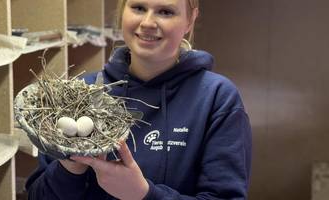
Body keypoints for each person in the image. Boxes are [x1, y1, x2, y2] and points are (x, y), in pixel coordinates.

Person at [26, 0, 252, 199]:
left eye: (165, 11)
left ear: (190, 21)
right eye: (138, 7)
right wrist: (70, 167)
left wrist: (143, 195)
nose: (147, 22)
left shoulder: (216, 98)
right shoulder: (82, 93)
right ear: (123, 11)